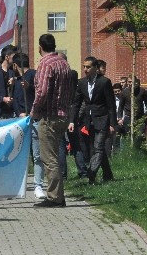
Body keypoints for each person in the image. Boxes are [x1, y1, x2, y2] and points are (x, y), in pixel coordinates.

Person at [29, 34, 72, 208]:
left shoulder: (46, 64)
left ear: (40, 47)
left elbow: (42, 92)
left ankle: (54, 197)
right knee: (54, 155)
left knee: (49, 158)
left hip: (49, 116)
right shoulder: (64, 63)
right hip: (63, 114)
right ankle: (59, 195)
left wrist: (34, 111)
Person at [69, 56, 116, 185]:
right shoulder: (82, 83)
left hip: (103, 119)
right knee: (97, 149)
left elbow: (111, 105)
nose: (85, 69)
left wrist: (112, 123)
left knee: (98, 148)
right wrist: (72, 121)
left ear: (95, 68)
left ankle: (91, 174)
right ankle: (108, 175)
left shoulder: (104, 82)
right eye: (84, 66)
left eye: (88, 67)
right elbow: (76, 104)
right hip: (88, 120)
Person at [11, 52, 45, 199]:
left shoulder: (33, 75)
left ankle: (38, 185)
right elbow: (14, 100)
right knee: (18, 154)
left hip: (35, 120)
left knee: (37, 154)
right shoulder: (16, 80)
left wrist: (29, 87)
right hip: (20, 121)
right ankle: (17, 184)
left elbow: (40, 93)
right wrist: (19, 112)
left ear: (15, 65)